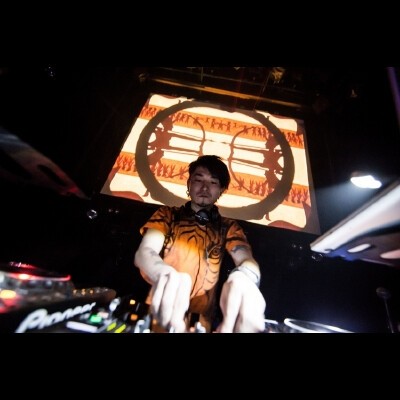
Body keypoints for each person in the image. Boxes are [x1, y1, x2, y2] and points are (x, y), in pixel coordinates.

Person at [134, 155, 266, 333]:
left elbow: (246, 260)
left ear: (221, 190)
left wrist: (244, 277)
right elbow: (146, 251)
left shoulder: (229, 227)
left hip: (202, 322)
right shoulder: (167, 215)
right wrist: (162, 272)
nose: (205, 187)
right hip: (160, 315)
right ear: (189, 183)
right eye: (198, 180)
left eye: (213, 182)